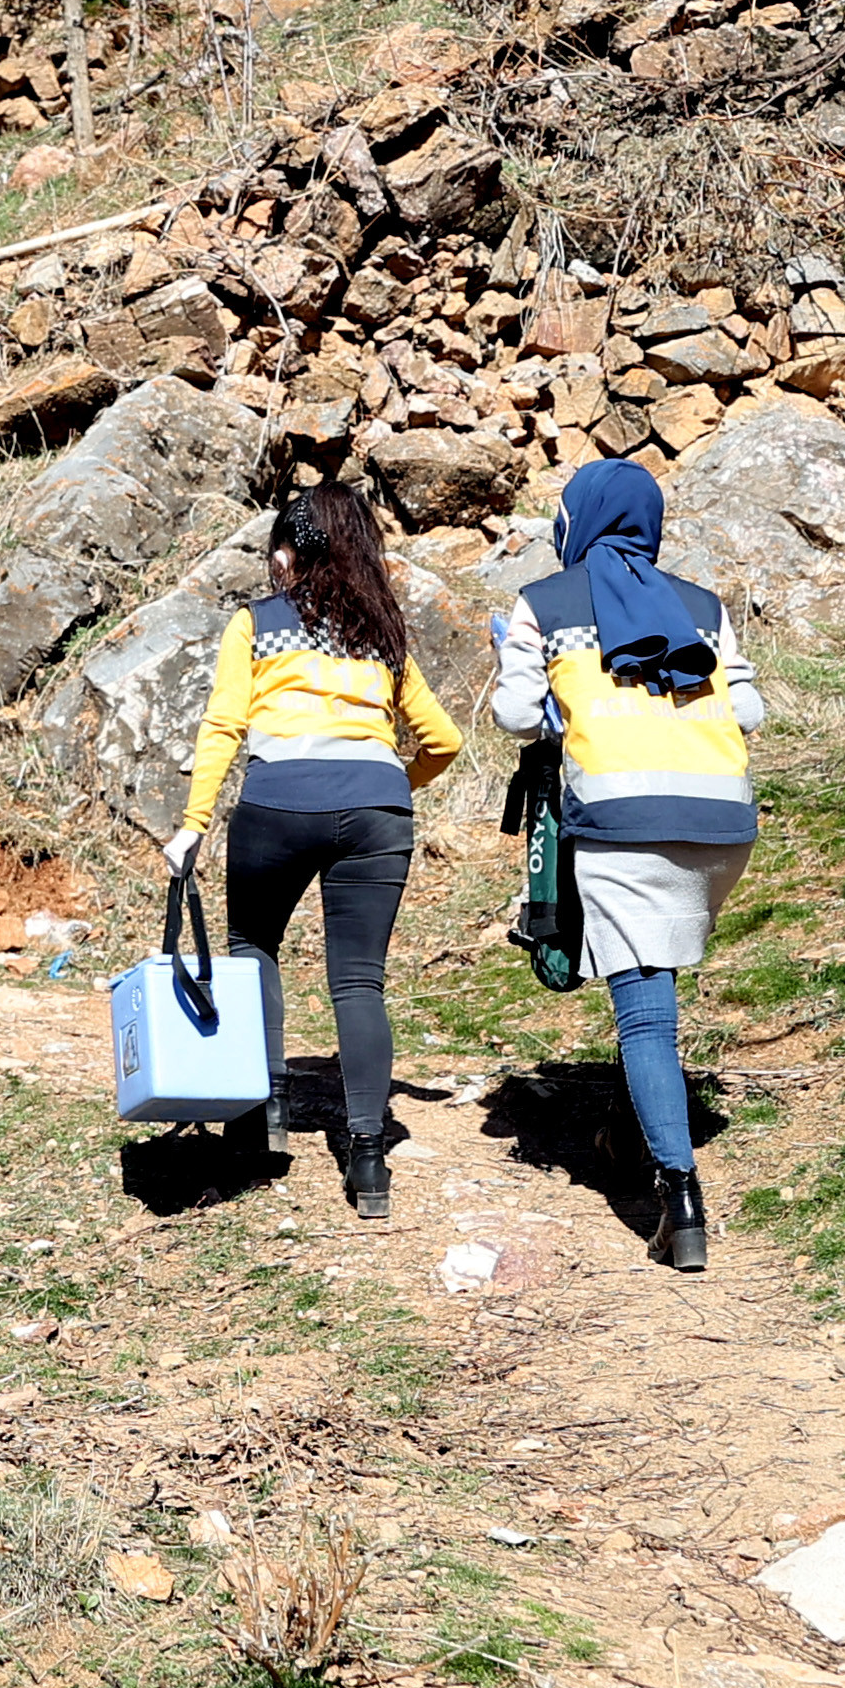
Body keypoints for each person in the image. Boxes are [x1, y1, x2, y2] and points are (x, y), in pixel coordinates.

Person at [159, 482, 462, 1221]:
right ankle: (367, 1159)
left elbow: (223, 728)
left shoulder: (257, 624)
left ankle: (262, 1121)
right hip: (378, 810)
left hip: (278, 807)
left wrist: (193, 825)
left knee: (252, 947)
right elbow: (445, 740)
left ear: (287, 552)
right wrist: (391, 782)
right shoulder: (381, 633)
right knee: (359, 982)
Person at [491, 457, 764, 1272]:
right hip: (722, 824)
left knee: (645, 1011)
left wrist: (554, 700)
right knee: (653, 979)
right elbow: (745, 707)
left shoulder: (544, 602)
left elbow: (511, 714)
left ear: (576, 519)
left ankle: (679, 1197)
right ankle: (627, 1127)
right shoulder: (703, 605)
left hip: (621, 819)